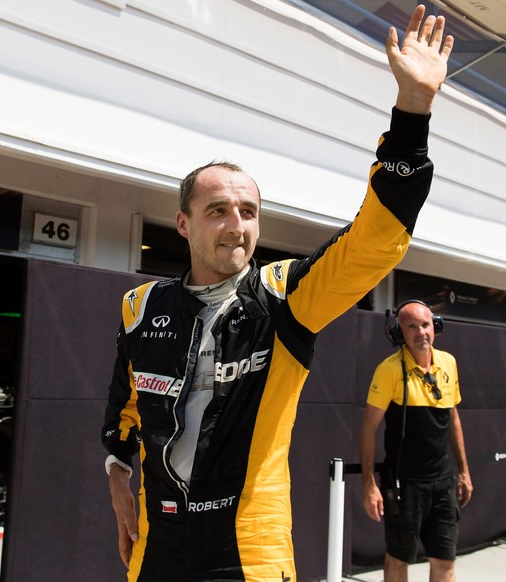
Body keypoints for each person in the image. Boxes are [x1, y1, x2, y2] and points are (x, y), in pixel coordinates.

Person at [102, 6, 454, 580]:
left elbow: (374, 243)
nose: (237, 225)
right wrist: (118, 472)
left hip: (248, 542)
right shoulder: (141, 308)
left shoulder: (284, 295)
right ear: (184, 224)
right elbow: (123, 408)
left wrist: (412, 112)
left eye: (248, 212)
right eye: (217, 211)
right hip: (157, 539)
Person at [359, 300, 472, 582]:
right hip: (404, 484)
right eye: (412, 326)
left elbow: (453, 419)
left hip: (443, 482)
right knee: (398, 559)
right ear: (399, 334)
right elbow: (368, 428)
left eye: (425, 324)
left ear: (435, 327)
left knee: (444, 559)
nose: (421, 332)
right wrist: (369, 485)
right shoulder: (389, 370)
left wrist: (464, 472)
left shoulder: (449, 363)